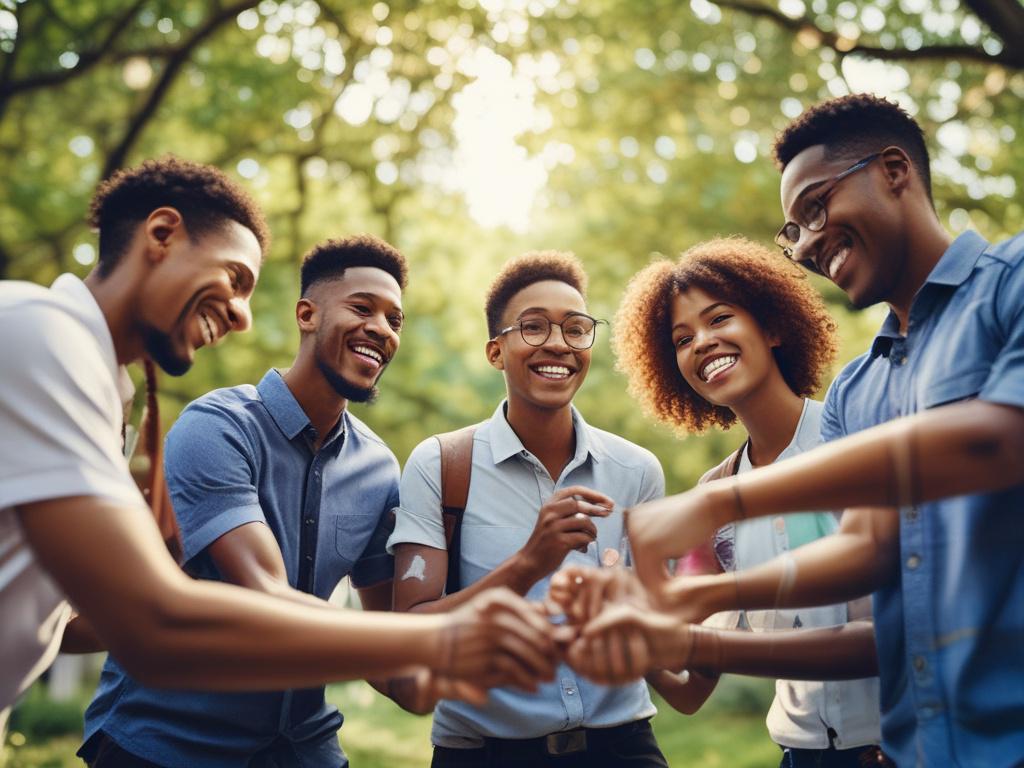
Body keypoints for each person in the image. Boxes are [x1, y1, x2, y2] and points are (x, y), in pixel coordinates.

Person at [0, 157, 559, 735]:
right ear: (162, 234)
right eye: (236, 279)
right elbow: (152, 624)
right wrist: (443, 638)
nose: (242, 317)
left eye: (396, 319)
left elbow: (71, 616)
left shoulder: (104, 385)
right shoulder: (46, 339)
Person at [612, 95, 1024, 767]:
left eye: (815, 208)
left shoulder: (1013, 287)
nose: (805, 243)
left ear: (894, 170)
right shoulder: (858, 393)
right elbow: (865, 549)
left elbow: (998, 442)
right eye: (793, 229)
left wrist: (721, 504)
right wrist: (703, 600)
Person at [79, 235, 432, 766]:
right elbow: (265, 592)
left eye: (395, 321)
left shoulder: (380, 468)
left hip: (302, 746)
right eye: (362, 308)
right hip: (169, 741)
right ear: (307, 314)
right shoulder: (217, 428)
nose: (381, 330)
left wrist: (502, 622)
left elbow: (399, 669)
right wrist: (449, 637)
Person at [569, 237, 886, 767]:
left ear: (774, 325)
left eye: (720, 319)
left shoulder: (853, 437)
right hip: (801, 755)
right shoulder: (712, 495)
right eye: (682, 337)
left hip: (896, 748)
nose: (703, 343)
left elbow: (874, 638)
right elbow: (691, 692)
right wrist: (623, 622)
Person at [389, 251, 670, 767]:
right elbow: (410, 629)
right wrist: (529, 564)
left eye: (576, 328)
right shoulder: (442, 465)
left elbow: (661, 620)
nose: (558, 344)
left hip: (622, 746)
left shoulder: (637, 472)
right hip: (484, 753)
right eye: (534, 327)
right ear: (496, 352)